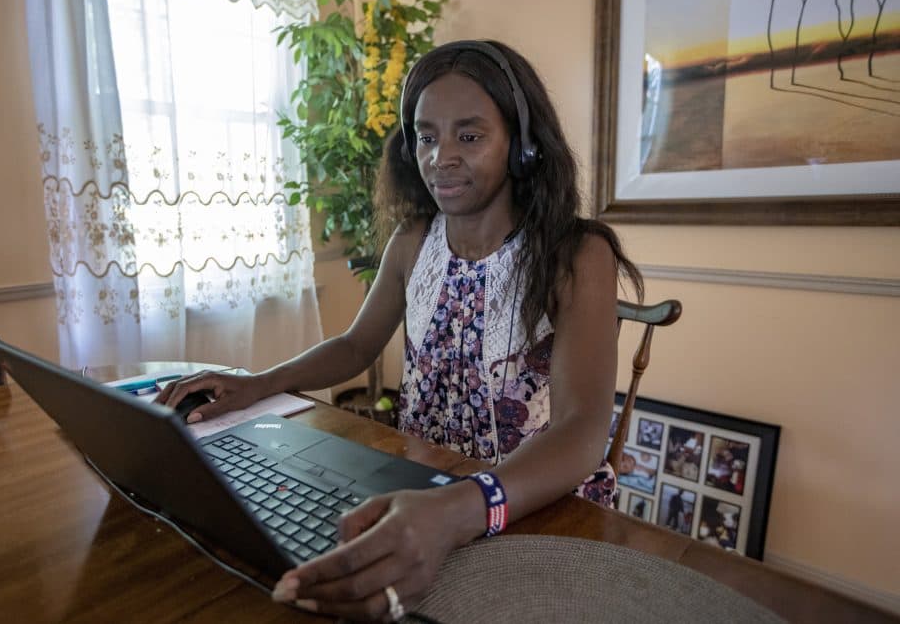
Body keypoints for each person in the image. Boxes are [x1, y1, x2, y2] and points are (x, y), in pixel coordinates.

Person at [157, 39, 643, 621]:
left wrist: (463, 508)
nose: (441, 156)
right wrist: (260, 382)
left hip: (535, 508)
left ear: (523, 145)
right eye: (426, 136)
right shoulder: (413, 242)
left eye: (469, 135)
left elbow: (582, 429)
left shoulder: (577, 254)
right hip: (425, 488)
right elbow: (357, 346)